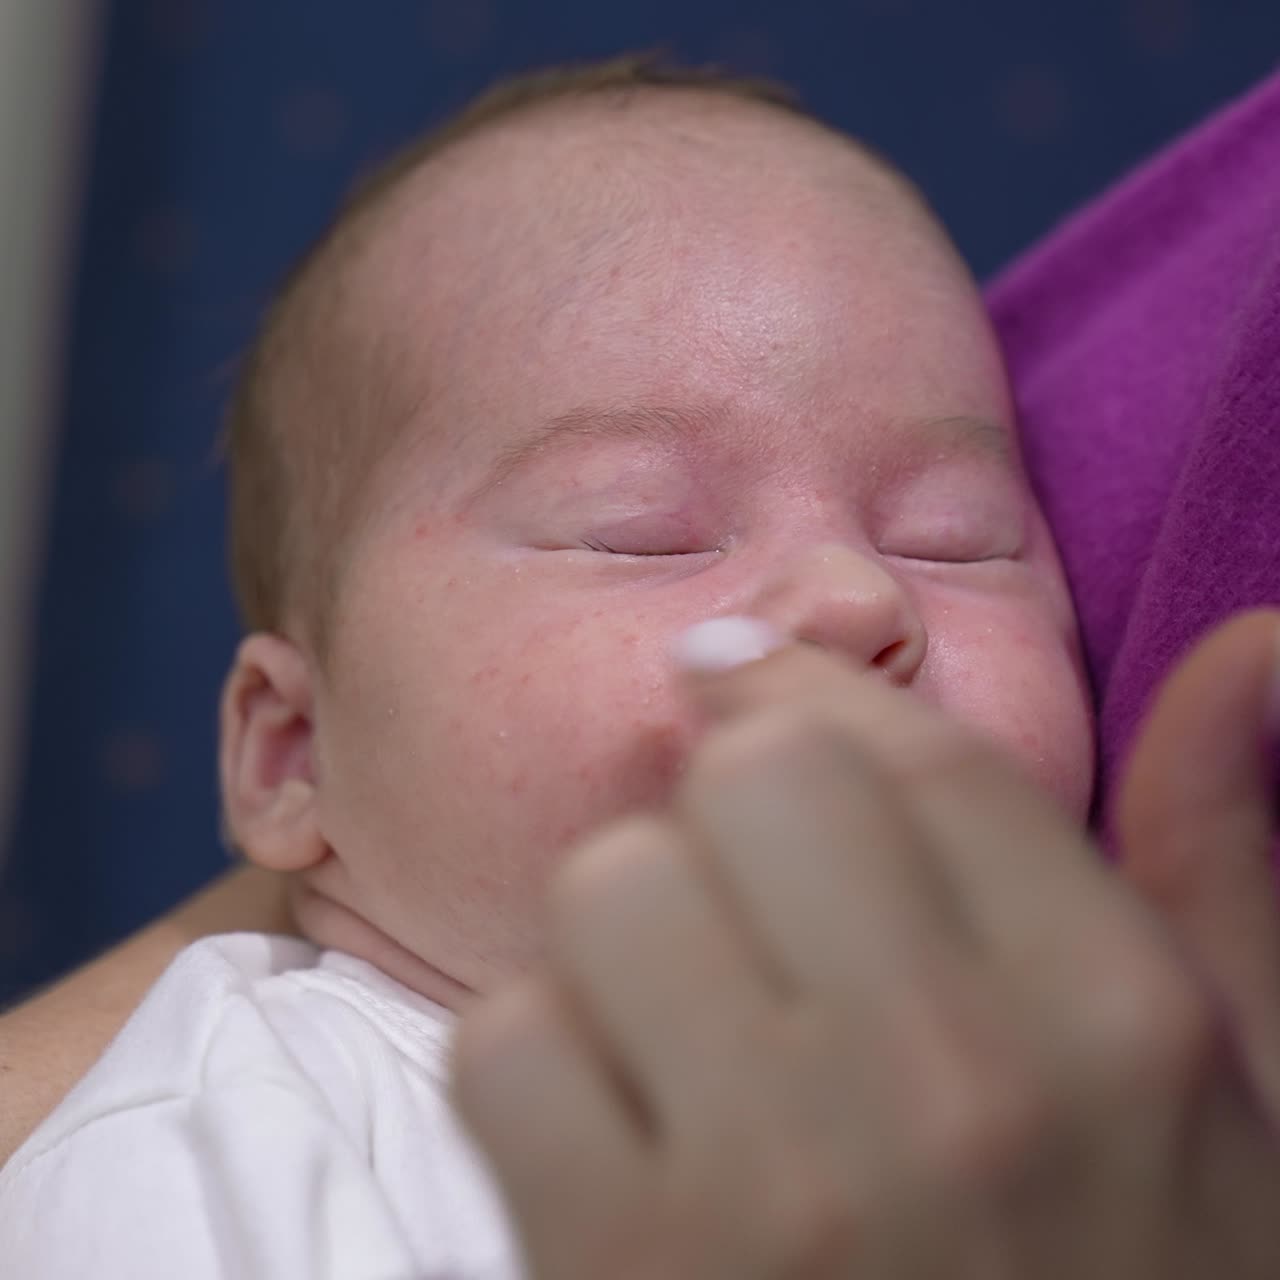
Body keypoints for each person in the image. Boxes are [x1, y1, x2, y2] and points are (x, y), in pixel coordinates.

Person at [0, 53, 1277, 1277]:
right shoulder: (215, 1140)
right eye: (639, 527)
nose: (851, 595)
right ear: (294, 754)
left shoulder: (1120, 1091)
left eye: (957, 536)